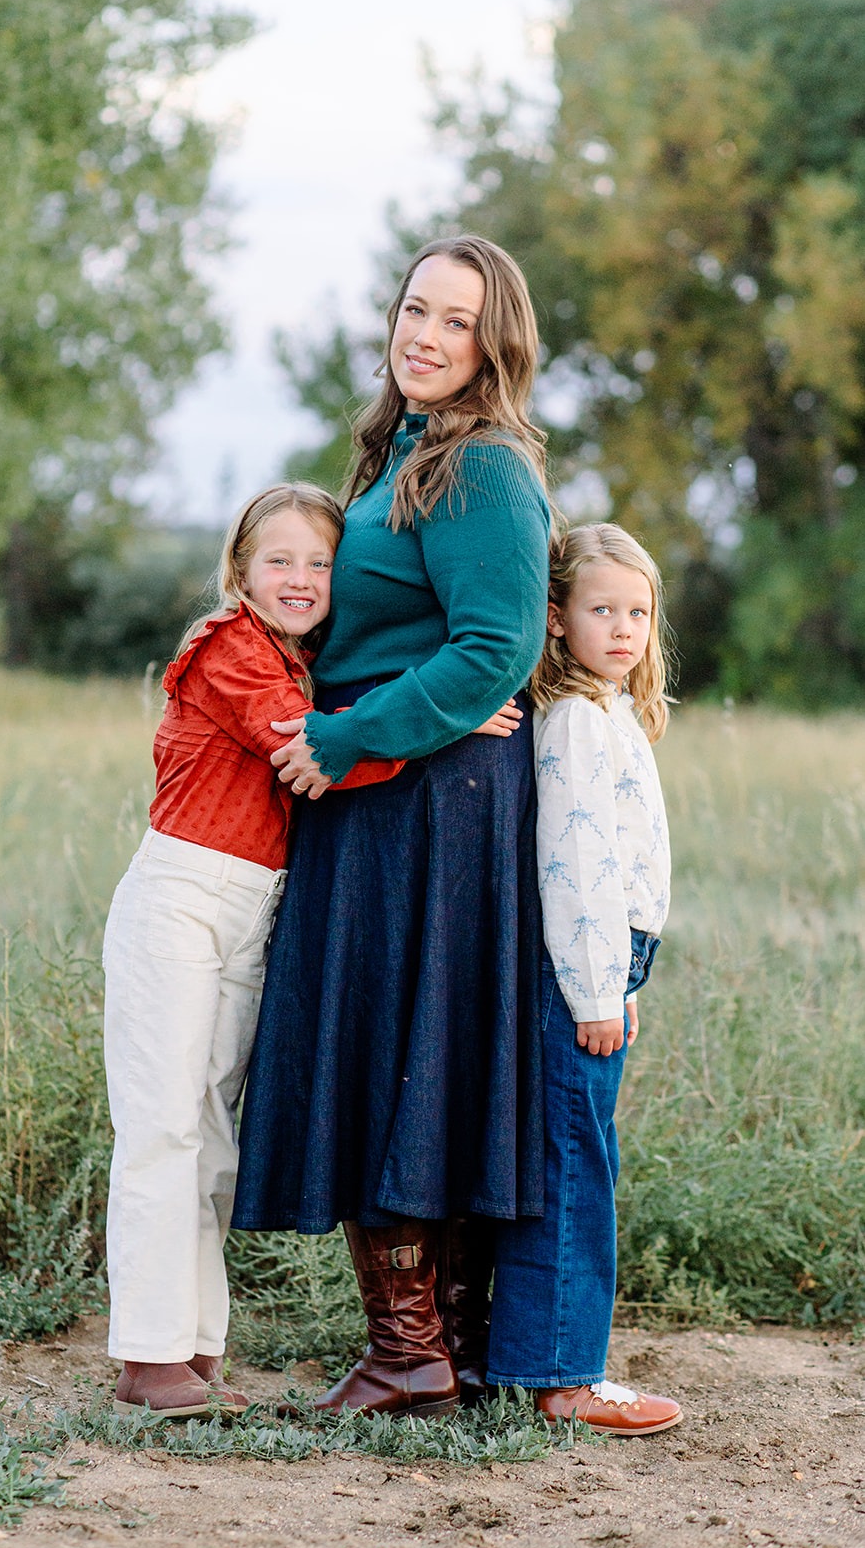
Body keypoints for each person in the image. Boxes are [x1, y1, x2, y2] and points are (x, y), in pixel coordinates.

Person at [232, 235, 555, 1418]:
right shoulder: (399, 455)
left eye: (454, 321)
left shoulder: (481, 468)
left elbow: (491, 648)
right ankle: (427, 1350)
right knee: (391, 1050)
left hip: (427, 808)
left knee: (404, 1056)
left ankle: (416, 1354)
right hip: (390, 794)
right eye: (414, 308)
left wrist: (338, 737)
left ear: (493, 345)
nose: (423, 335)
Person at [102, 482, 409, 1420]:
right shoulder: (229, 648)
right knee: (162, 1124)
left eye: (320, 562)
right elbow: (306, 750)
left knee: (213, 1132)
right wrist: (442, 722)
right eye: (279, 559)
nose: (301, 578)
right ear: (239, 571)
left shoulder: (304, 664)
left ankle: (193, 1347)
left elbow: (330, 730)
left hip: (251, 906)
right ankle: (145, 1357)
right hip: (181, 897)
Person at [485, 521, 683, 1435]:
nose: (622, 628)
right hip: (582, 973)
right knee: (574, 1167)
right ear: (556, 618)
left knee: (572, 1155)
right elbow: (575, 868)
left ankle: (537, 1359)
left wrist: (625, 986)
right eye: (600, 609)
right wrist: (600, 994)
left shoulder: (605, 711)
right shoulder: (571, 721)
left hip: (608, 966)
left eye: (636, 611)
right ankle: (563, 1375)